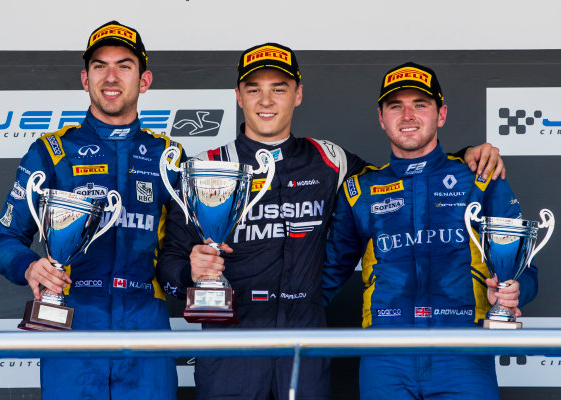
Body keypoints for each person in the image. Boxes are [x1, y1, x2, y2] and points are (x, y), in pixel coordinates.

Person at [157, 45, 506, 399]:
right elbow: (169, 265)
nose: (266, 101)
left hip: (305, 347)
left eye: (278, 88)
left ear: (298, 94)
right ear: (238, 96)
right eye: (254, 89)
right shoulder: (205, 168)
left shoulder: (331, 160)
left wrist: (464, 158)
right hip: (231, 348)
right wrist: (192, 273)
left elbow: (402, 173)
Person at [322, 62, 538, 399]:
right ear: (381, 118)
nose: (407, 115)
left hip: (464, 352)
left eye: (420, 105)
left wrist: (514, 291)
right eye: (396, 106)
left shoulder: (480, 178)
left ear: (441, 114)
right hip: (385, 356)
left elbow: (525, 270)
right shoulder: (359, 190)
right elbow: (324, 276)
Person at [0, 21, 182, 400]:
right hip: (72, 322)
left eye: (124, 65)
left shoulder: (168, 157)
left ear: (144, 80)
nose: (111, 77)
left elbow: (179, 249)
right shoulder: (51, 152)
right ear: (85, 78)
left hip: (146, 325)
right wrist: (29, 266)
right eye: (100, 66)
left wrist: (199, 267)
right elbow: (4, 239)